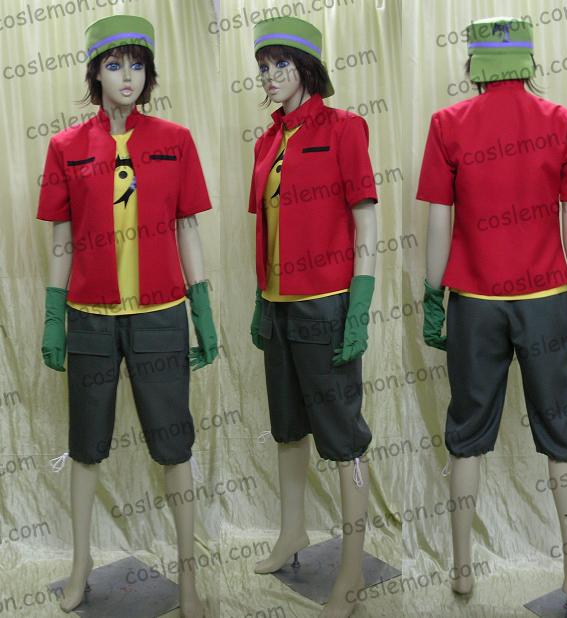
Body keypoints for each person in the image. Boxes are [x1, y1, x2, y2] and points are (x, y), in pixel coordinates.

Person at [37, 15, 216, 617]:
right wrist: (53, 317)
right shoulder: (65, 147)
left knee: (174, 444)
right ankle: (80, 563)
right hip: (90, 317)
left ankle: (188, 575)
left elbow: (187, 227)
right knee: (86, 446)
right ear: (95, 73)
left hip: (161, 317)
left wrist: (203, 310)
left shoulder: (175, 139)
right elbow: (62, 239)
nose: (127, 77)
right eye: (114, 65)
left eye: (137, 64)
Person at [417, 17, 567, 602]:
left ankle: (461, 569)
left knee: (466, 433)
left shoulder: (447, 124)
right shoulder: (562, 122)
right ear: (527, 61)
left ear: (474, 64)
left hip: (474, 305)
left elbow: (439, 219)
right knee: (561, 432)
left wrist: (432, 297)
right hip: (545, 302)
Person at [247, 16, 378, 618]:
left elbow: (365, 219)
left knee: (343, 436)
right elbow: (267, 227)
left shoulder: (345, 128)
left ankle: (351, 569)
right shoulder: (266, 141)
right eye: (263, 67)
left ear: (307, 68)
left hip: (326, 302)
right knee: (287, 426)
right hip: (277, 303)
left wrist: (360, 304)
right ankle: (292, 531)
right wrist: (261, 297)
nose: (269, 77)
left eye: (281, 64)